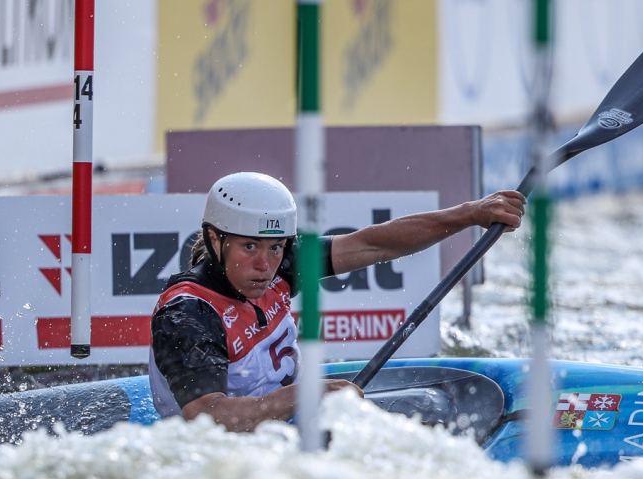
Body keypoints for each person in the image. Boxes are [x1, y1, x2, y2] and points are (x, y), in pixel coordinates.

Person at [149, 172, 525, 432]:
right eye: (249, 247)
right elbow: (208, 420)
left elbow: (374, 243)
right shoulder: (188, 314)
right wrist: (306, 394)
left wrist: (468, 214)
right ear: (215, 240)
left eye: (275, 248)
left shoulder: (281, 264)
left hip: (285, 423)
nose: (265, 265)